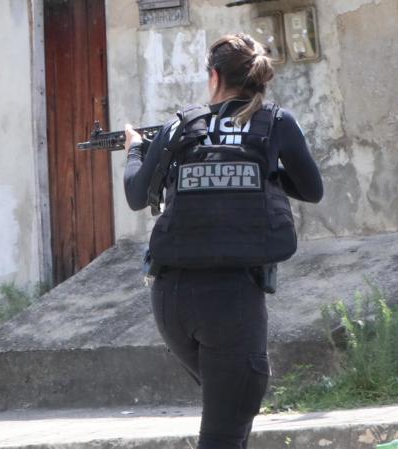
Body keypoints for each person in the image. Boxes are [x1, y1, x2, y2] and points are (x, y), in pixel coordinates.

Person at [123, 33, 323, 449]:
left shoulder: (181, 124)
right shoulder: (277, 122)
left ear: (214, 77)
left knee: (232, 414)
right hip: (231, 300)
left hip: (170, 299)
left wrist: (134, 150)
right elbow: (311, 189)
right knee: (225, 430)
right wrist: (263, 175)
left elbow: (136, 195)